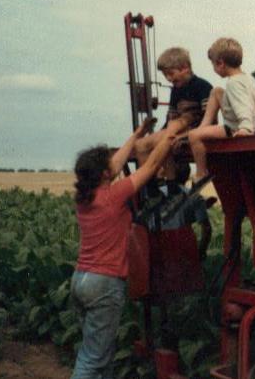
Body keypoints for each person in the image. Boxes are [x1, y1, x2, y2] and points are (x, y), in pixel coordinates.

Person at [70, 117, 182, 379]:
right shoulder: (114, 195)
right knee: (92, 360)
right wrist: (170, 136)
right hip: (104, 285)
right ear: (105, 174)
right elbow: (153, 165)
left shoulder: (86, 197)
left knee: (100, 353)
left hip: (81, 280)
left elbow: (116, 163)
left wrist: (137, 134)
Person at [187, 37, 255, 184]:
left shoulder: (233, 84)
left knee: (193, 136)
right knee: (216, 91)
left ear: (220, 63)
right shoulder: (248, 78)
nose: (214, 69)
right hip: (251, 121)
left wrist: (246, 127)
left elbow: (244, 107)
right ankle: (203, 128)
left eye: (213, 65)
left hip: (234, 127)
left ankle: (201, 174)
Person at [134, 47, 212, 176]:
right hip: (176, 130)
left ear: (185, 68)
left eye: (171, 74)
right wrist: (160, 132)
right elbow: (171, 118)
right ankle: (153, 186)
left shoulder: (202, 86)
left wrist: (185, 135)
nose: (168, 79)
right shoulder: (175, 90)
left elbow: (208, 118)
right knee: (141, 144)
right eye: (165, 75)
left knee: (166, 142)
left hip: (195, 131)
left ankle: (171, 184)